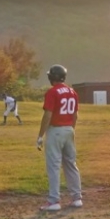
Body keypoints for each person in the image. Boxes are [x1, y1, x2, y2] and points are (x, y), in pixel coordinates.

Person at [36, 64, 83, 211]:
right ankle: (77, 198)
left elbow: (48, 114)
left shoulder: (52, 92)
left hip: (56, 130)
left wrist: (40, 135)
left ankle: (54, 201)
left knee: (54, 166)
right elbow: (75, 114)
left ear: (52, 77)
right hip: (69, 129)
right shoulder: (72, 91)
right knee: (70, 164)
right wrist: (70, 129)